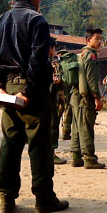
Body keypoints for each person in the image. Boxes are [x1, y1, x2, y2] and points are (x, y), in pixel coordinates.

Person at [0, 0, 68, 213]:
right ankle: (44, 199)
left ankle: (6, 198)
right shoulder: (36, 20)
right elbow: (37, 60)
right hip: (34, 92)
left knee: (10, 143)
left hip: (7, 91)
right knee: (39, 145)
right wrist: (29, 91)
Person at [70, 28, 105, 169]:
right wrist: (97, 97)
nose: (100, 41)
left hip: (75, 97)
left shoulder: (81, 54)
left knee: (77, 128)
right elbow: (91, 79)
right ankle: (89, 159)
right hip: (85, 98)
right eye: (97, 38)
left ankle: (76, 157)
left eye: (101, 38)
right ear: (88, 40)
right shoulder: (90, 56)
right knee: (86, 129)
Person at [48, 36, 67, 164]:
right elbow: (59, 84)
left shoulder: (33, 61)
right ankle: (50, 153)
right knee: (53, 126)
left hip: (39, 101)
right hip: (51, 101)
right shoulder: (54, 65)